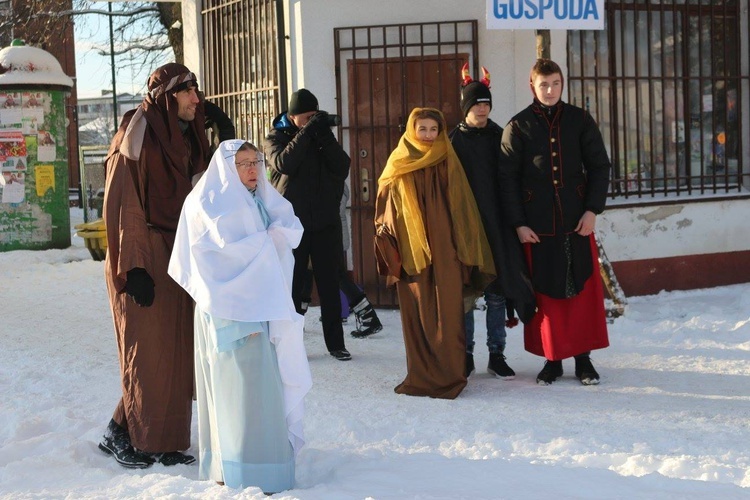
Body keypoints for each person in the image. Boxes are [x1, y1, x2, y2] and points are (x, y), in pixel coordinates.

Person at [168, 140, 312, 493]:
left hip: (258, 309)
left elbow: (279, 233)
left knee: (260, 391)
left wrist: (275, 238)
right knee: (240, 392)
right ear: (225, 169)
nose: (252, 169)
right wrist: (266, 243)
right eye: (243, 163)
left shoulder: (256, 199)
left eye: (256, 162)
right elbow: (212, 260)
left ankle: (258, 467)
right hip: (229, 315)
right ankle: (238, 468)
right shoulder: (209, 203)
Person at [99, 63, 210, 468]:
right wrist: (135, 267)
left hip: (178, 257)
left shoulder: (188, 138)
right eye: (188, 93)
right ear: (167, 95)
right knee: (146, 352)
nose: (197, 101)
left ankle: (163, 441)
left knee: (174, 353)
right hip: (142, 256)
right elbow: (122, 201)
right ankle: (120, 434)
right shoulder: (138, 132)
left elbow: (203, 193)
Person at [498, 59, 611, 386]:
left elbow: (600, 167)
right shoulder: (517, 126)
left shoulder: (580, 120)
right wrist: (519, 223)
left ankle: (583, 359)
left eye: (555, 84)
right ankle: (552, 358)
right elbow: (506, 180)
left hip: (578, 223)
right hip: (537, 228)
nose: (550, 90)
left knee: (581, 294)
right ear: (532, 86)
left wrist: (592, 210)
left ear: (563, 84)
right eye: (543, 84)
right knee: (546, 297)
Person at [374, 107, 495, 399]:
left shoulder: (447, 159)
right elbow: (385, 207)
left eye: (433, 129)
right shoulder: (398, 162)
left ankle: (452, 375)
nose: (428, 135)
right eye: (422, 129)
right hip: (412, 251)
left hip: (446, 250)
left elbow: (462, 208)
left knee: (448, 312)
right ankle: (421, 375)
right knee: (417, 312)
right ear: (412, 130)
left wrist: (461, 248)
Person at [449, 63, 536, 379]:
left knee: (497, 293)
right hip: (466, 229)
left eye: (486, 103)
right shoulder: (452, 142)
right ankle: (468, 354)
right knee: (469, 294)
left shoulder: (502, 136)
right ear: (466, 107)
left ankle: (496, 354)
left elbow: (514, 179)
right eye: (476, 104)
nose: (482, 109)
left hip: (498, 227)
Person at [264, 88, 352, 361]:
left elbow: (342, 166)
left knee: (329, 285)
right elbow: (284, 163)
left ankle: (336, 344)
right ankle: (289, 345)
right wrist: (306, 133)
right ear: (292, 117)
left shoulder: (321, 136)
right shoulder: (275, 137)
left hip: (325, 223)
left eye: (315, 116)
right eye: (306, 117)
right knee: (292, 288)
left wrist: (322, 133)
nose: (311, 121)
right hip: (293, 226)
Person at [298, 182, 384, 337]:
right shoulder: (333, 177)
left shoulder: (327, 179)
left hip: (324, 236)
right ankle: (368, 316)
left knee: (315, 278)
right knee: (327, 277)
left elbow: (329, 209)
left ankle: (297, 322)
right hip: (325, 235)